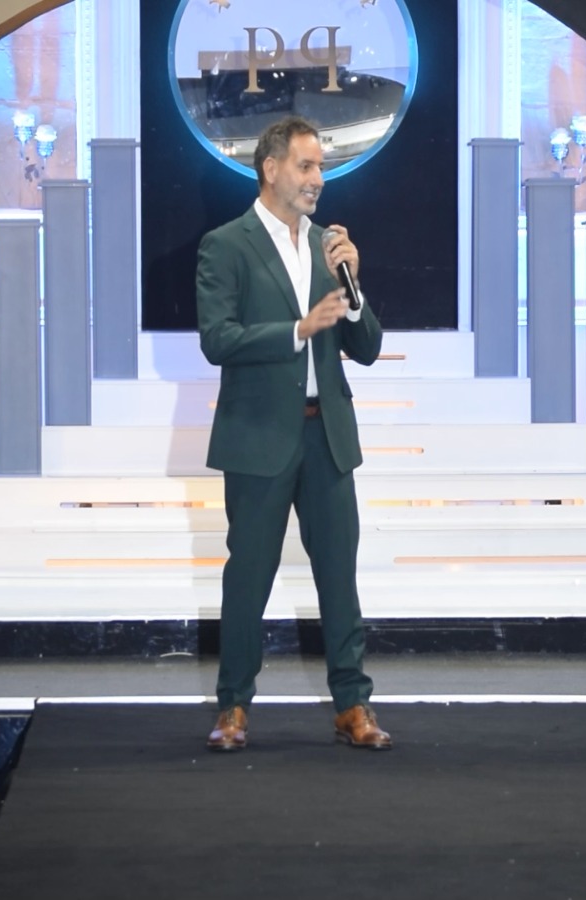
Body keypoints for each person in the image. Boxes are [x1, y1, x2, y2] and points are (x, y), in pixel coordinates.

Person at [195, 116, 391, 752]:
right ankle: (233, 707)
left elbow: (367, 348)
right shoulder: (226, 244)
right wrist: (297, 330)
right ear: (271, 168)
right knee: (248, 578)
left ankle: (352, 705)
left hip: (325, 436)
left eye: (321, 168)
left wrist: (353, 288)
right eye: (306, 166)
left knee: (339, 576)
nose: (317, 179)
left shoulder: (330, 246)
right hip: (257, 436)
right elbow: (217, 339)